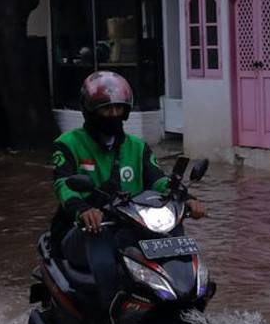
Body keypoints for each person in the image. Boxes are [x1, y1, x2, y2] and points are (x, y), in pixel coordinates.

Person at [51, 71, 206, 279]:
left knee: (174, 227)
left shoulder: (137, 147)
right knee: (99, 235)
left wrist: (185, 199)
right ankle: (109, 307)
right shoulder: (68, 144)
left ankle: (189, 291)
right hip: (84, 229)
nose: (114, 114)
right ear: (90, 110)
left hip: (132, 226)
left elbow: (158, 180)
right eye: (107, 109)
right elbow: (64, 184)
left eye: (118, 108)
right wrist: (83, 210)